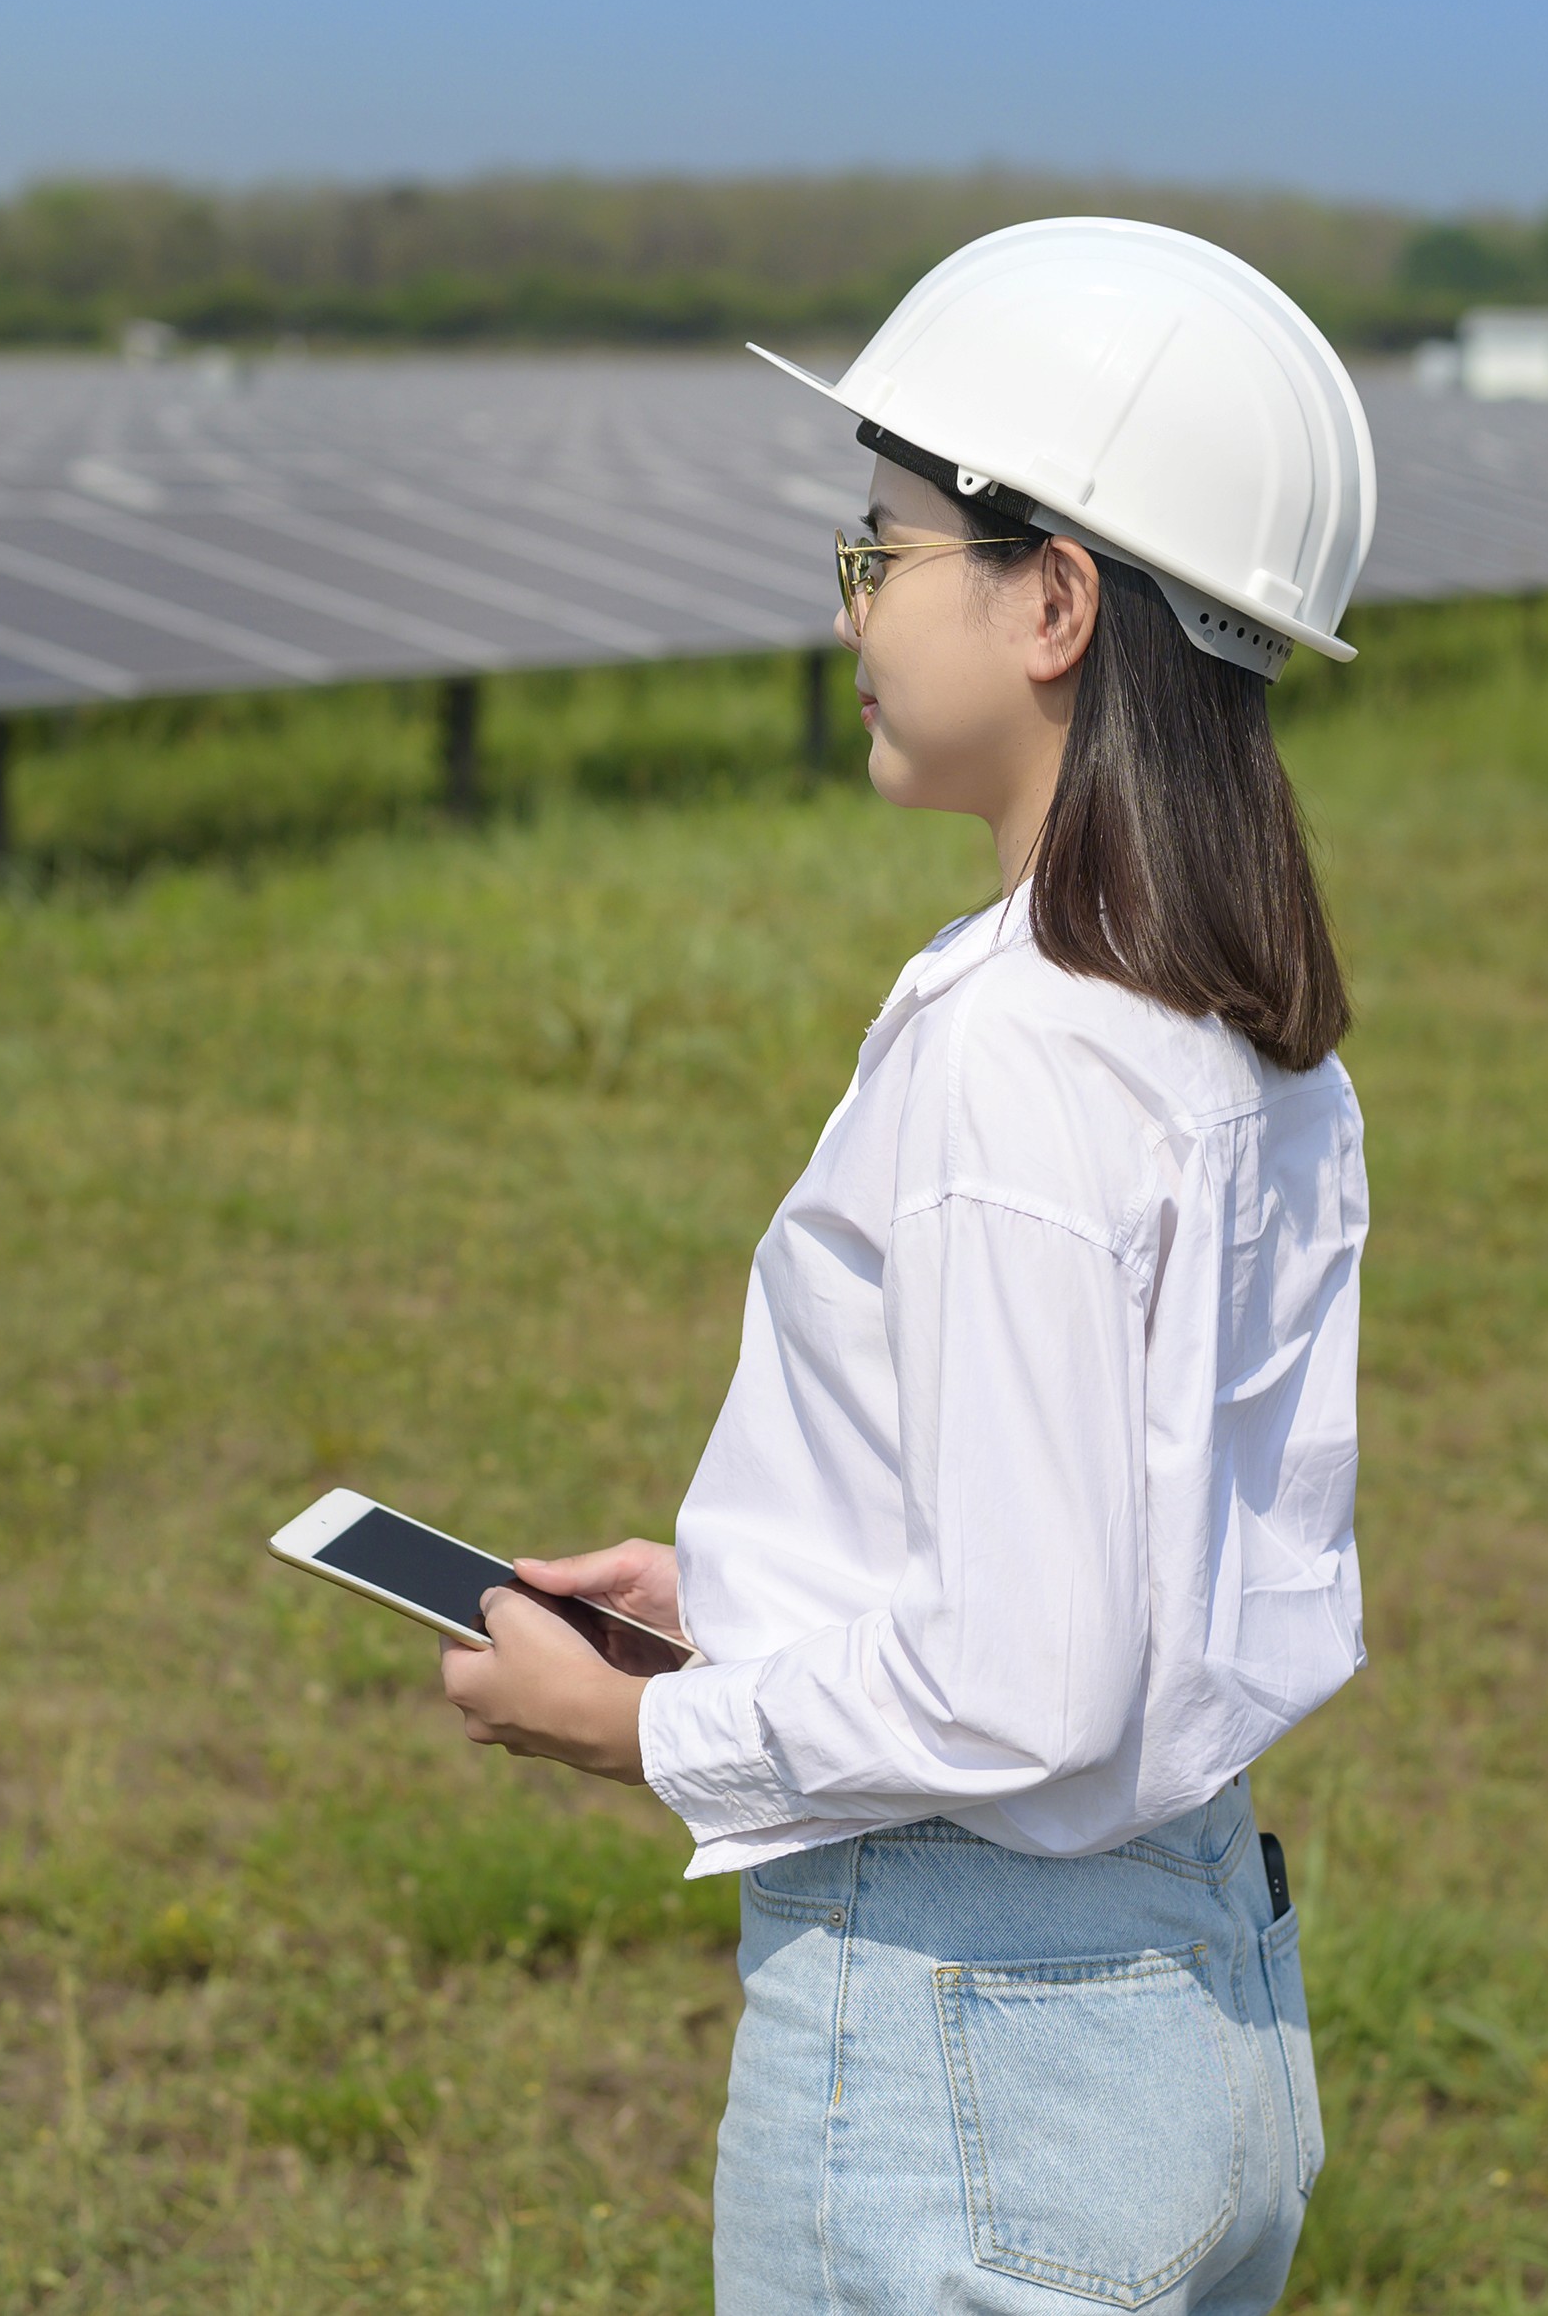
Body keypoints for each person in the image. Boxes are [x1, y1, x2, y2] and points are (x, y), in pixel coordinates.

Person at [435, 219, 1375, 2313]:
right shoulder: (1231, 1024)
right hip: (1197, 1995)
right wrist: (755, 1602)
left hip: (974, 2046)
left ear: (1051, 601)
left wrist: (646, 1738)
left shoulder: (1019, 1051)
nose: (845, 601)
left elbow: (1026, 1671)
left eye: (878, 548)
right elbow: (1110, 1557)